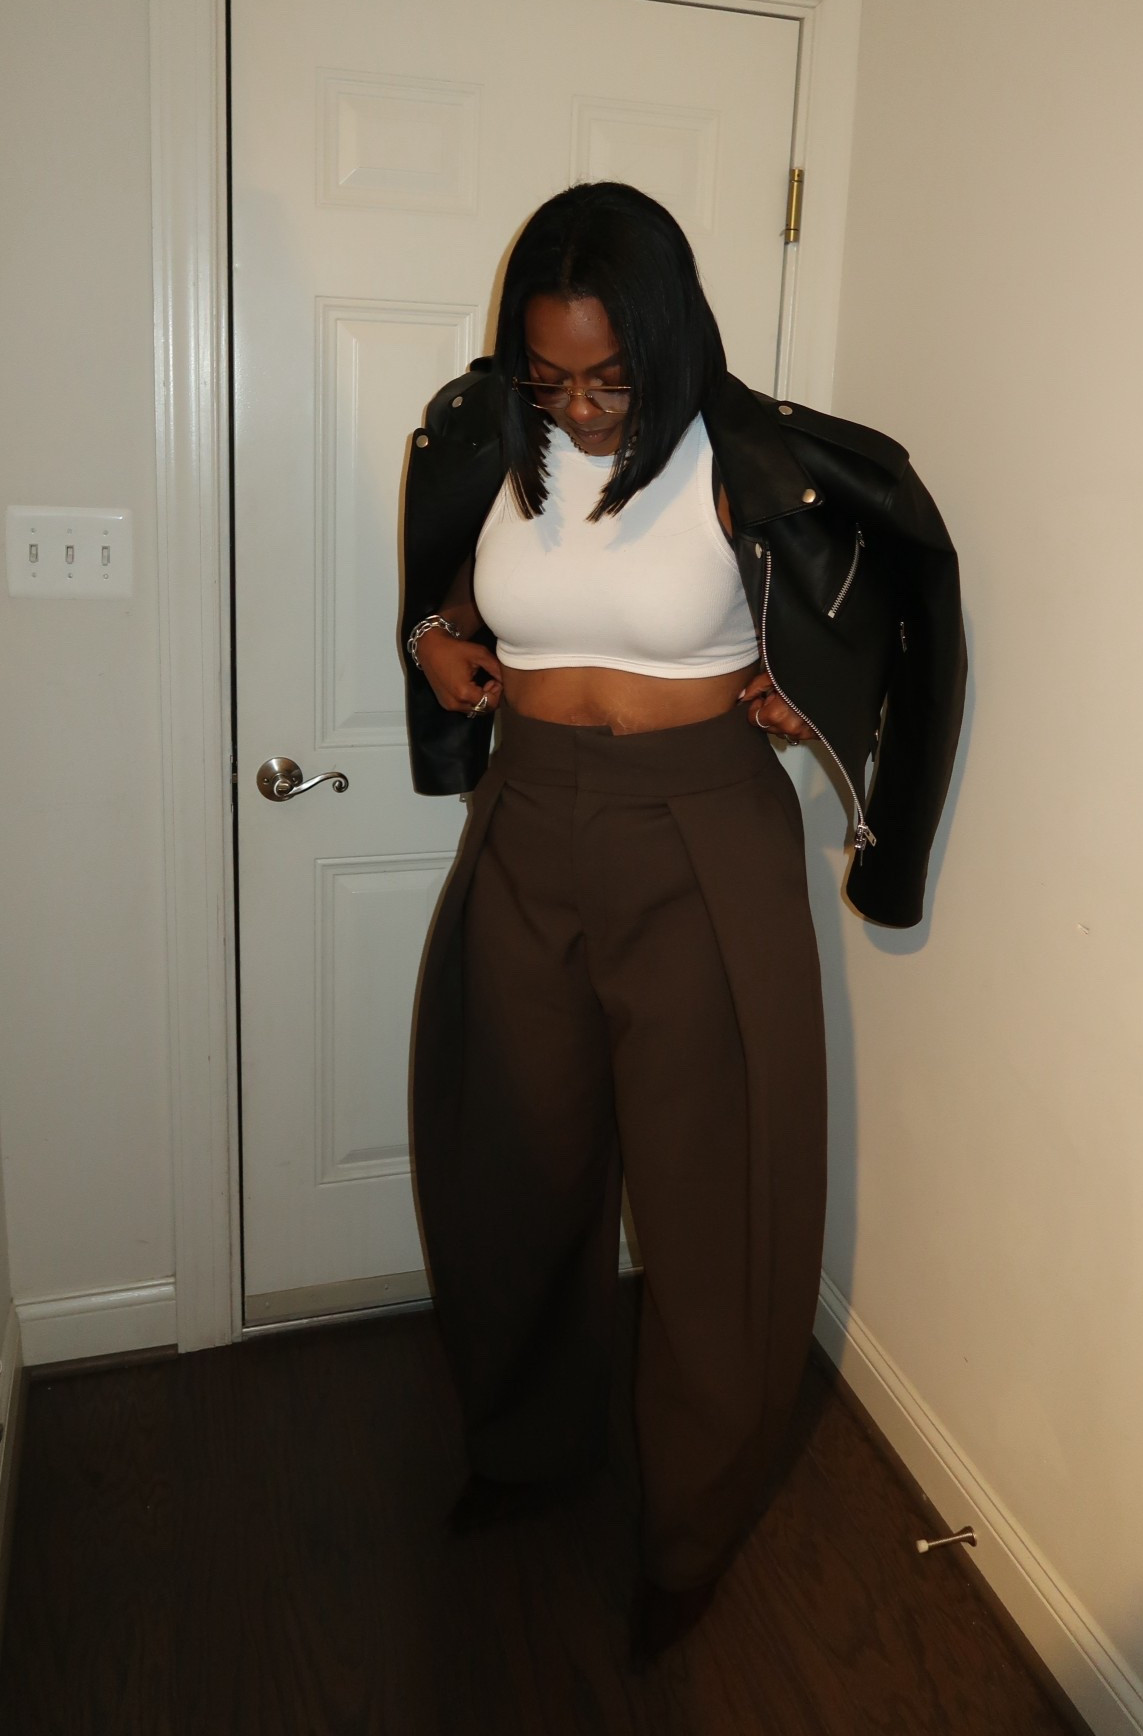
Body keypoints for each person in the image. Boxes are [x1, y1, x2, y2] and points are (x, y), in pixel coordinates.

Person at [400, 182, 965, 1661]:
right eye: (550, 378)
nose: (581, 412)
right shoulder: (491, 440)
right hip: (529, 822)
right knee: (512, 1162)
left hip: (699, 830)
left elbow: (903, 601)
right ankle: (528, 1450)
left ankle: (692, 1527)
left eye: (609, 379)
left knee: (715, 1200)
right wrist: (435, 638)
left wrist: (811, 694)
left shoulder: (755, 461)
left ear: (669, 342)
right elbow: (454, 588)